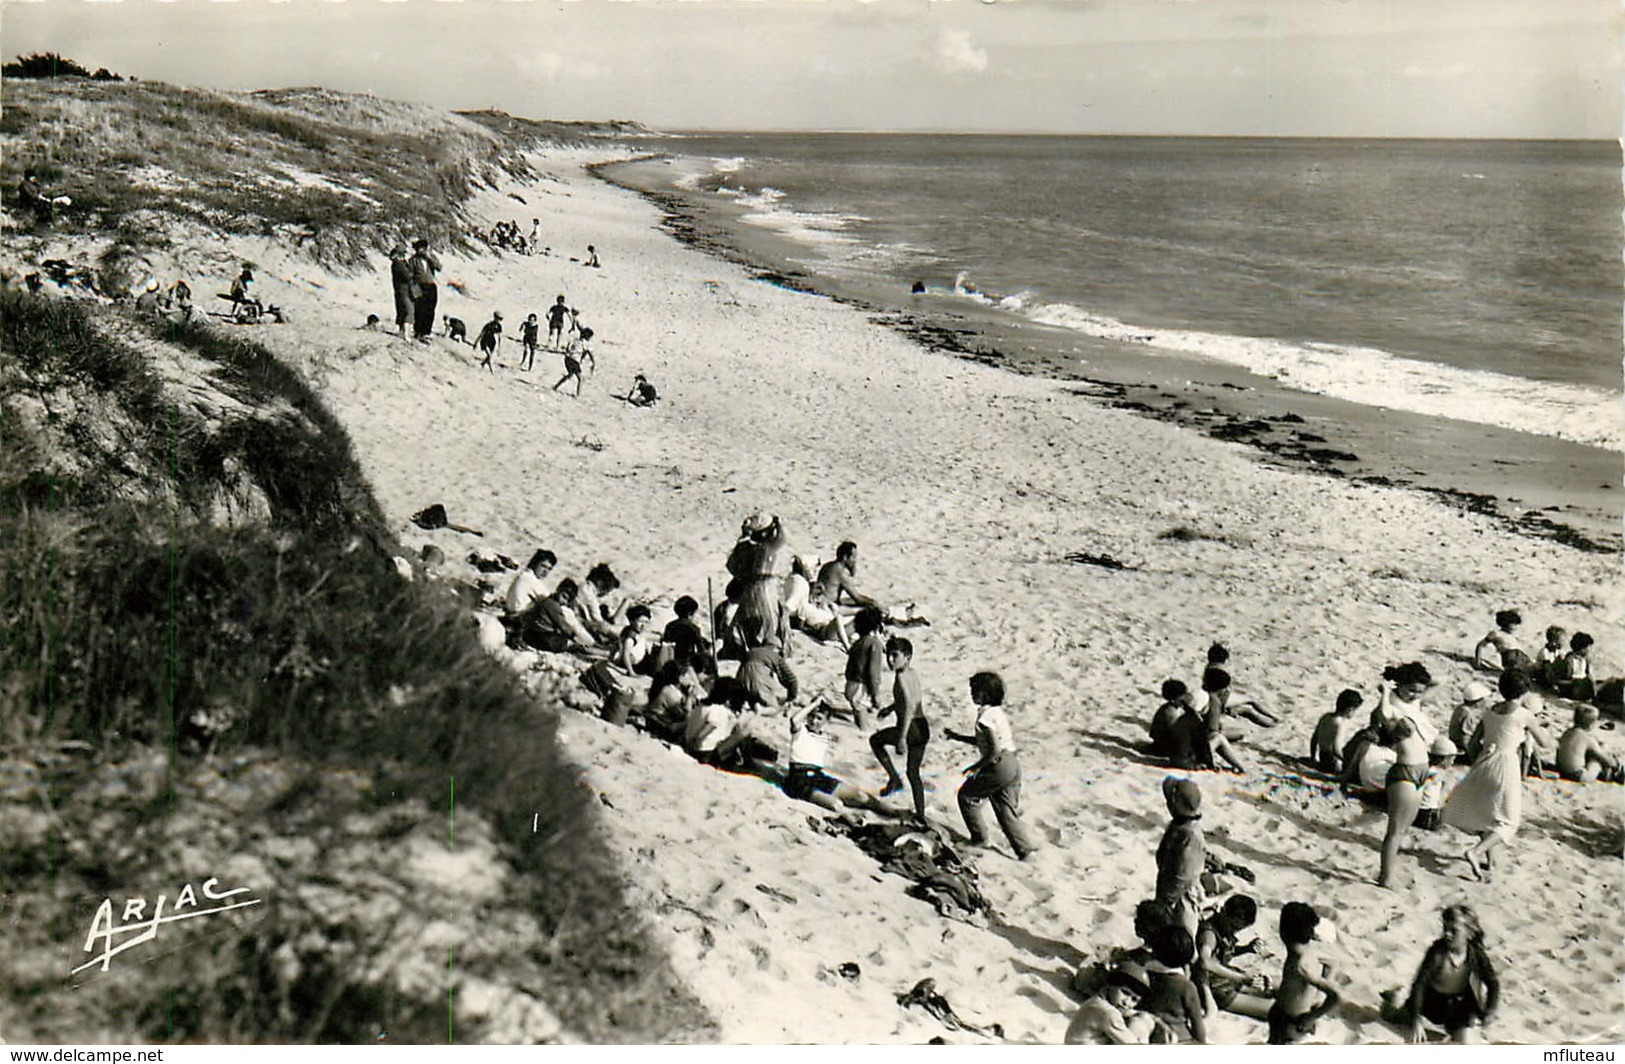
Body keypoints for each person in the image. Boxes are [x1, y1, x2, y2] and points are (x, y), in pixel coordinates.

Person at [1442, 668, 1555, 881]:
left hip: (1484, 761)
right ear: (1525, 692)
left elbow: (1474, 744)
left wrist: (1482, 758)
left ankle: (1491, 862)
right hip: (1506, 764)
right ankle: (1475, 852)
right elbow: (1546, 743)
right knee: (1508, 821)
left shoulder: (1490, 710)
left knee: (1488, 814)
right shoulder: (1523, 714)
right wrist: (1537, 726)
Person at [944, 671, 1039, 860]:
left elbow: (993, 750)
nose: (971, 694)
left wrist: (977, 766)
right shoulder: (996, 713)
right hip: (1012, 763)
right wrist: (957, 736)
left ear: (985, 694)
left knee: (967, 795)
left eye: (975, 691)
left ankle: (980, 839)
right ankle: (1025, 851)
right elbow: (986, 742)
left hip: (998, 764)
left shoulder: (984, 718)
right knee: (1005, 810)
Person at [1382, 905, 1499, 1043]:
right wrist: (1416, 1019)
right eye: (1445, 929)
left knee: (1465, 1041)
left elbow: (1492, 983)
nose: (1447, 934)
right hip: (1431, 1003)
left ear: (1470, 933)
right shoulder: (1437, 953)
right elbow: (1420, 984)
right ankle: (1393, 998)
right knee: (1394, 1016)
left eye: (1454, 931)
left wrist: (1489, 1011)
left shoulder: (1476, 955)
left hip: (1459, 1007)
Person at [783, 704, 895, 815]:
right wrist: (815, 703)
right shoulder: (800, 730)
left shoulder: (825, 737)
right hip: (799, 780)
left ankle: (898, 813)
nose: (814, 721)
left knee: (861, 796)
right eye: (811, 716)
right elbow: (794, 720)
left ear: (826, 720)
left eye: (819, 718)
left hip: (819, 776)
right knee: (836, 805)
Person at [870, 636, 929, 822]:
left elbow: (909, 707)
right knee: (913, 773)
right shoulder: (912, 673)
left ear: (908, 657)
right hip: (922, 727)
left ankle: (894, 778)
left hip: (910, 728)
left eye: (895, 656)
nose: (890, 660)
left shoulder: (901, 679)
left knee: (875, 741)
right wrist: (890, 708)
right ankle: (921, 814)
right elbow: (908, 700)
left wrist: (902, 737)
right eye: (889, 655)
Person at [1268, 902, 1342, 1045]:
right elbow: (1333, 965)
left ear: (1283, 931)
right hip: (1293, 1018)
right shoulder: (1310, 953)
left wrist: (1312, 1017)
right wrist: (1315, 1002)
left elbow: (1335, 996)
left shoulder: (1300, 965)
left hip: (1290, 1023)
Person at [726, 512, 794, 656]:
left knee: (748, 624)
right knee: (770, 625)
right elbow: (784, 537)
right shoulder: (776, 547)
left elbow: (732, 567)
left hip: (750, 590)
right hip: (769, 590)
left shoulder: (744, 548)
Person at [1193, 894, 1268, 1019]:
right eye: (1234, 927)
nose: (1234, 932)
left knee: (1270, 986)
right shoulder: (1209, 934)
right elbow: (1204, 961)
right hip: (1215, 987)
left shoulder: (1222, 927)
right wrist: (1240, 978)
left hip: (1226, 977)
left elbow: (1221, 954)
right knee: (1271, 1009)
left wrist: (1246, 949)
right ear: (1223, 912)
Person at [1377, 716, 1430, 888]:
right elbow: (1384, 713)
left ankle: (1388, 873)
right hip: (1404, 775)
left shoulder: (1409, 732)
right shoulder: (1401, 734)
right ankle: (1385, 878)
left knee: (1402, 829)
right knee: (1395, 831)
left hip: (1418, 773)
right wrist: (1385, 692)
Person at [1154, 776, 1206, 937]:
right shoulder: (1179, 825)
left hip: (1182, 895)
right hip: (1169, 886)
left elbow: (1183, 874)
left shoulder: (1190, 835)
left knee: (1183, 936)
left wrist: (1167, 901)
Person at [1141, 926, 1205, 1043]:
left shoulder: (1144, 974)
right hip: (1179, 1037)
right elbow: (1197, 1022)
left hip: (1149, 1033)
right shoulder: (1186, 986)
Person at [1064, 968, 1160, 1045]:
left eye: (1134, 1000)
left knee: (1144, 1018)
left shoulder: (1098, 1002)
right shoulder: (1108, 1013)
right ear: (1111, 985)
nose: (1126, 1002)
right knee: (1139, 1025)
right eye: (1125, 992)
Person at [1202, 644, 1280, 726]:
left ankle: (1272, 722)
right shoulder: (1221, 671)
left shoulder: (1209, 667)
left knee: (1248, 707)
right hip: (1219, 701)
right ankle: (1274, 719)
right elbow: (1224, 694)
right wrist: (1227, 710)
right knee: (1250, 703)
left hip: (1211, 698)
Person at [733, 621, 800, 713]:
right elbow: (791, 679)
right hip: (758, 677)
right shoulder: (774, 656)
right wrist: (791, 698)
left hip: (740, 678)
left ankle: (744, 705)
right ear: (775, 648)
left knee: (750, 695)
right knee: (774, 709)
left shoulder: (752, 651)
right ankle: (761, 710)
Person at [781, 555, 847, 648]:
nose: (815, 572)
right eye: (814, 569)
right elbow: (789, 606)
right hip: (823, 628)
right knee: (844, 619)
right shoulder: (801, 584)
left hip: (825, 622)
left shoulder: (793, 579)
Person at [1370, 662, 1439, 747]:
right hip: (1403, 744)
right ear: (1400, 685)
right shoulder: (1392, 699)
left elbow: (1437, 682)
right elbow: (1384, 714)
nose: (1415, 695)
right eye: (1412, 690)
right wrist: (1386, 692)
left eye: (1420, 692)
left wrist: (1419, 676)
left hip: (1425, 741)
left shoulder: (1415, 701)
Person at [519, 578, 596, 652]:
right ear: (558, 589)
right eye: (564, 597)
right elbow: (563, 625)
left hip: (531, 632)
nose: (564, 602)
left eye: (567, 600)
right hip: (541, 636)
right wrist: (573, 635)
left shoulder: (547, 600)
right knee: (561, 642)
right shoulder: (554, 606)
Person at [842, 607, 888, 730]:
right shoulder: (874, 644)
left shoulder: (858, 643)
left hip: (850, 682)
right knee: (862, 721)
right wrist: (875, 695)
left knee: (857, 710)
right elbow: (873, 673)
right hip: (860, 686)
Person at [1556, 704, 1624, 783]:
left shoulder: (1567, 732)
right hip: (1578, 776)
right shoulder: (1586, 737)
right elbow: (1605, 759)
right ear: (1592, 724)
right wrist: (1615, 764)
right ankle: (1610, 775)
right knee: (1598, 758)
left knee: (1591, 751)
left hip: (1561, 771)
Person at [1198, 669, 1248, 773]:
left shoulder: (1202, 696)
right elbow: (1212, 731)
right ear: (1222, 689)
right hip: (1199, 746)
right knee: (1222, 738)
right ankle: (1240, 767)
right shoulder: (1214, 702)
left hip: (1192, 738)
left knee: (1234, 733)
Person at [1309, 689, 1363, 774]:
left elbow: (1314, 739)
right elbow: (1336, 749)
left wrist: (1313, 758)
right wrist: (1349, 763)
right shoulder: (1340, 724)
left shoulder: (1325, 717)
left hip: (1322, 757)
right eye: (1354, 711)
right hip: (1333, 763)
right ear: (1349, 709)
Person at [575, 562, 625, 645]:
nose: (606, 594)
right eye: (607, 591)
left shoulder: (582, 586)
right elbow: (599, 622)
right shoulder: (590, 596)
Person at [661, 595, 713, 674]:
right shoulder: (693, 628)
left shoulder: (670, 626)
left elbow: (665, 643)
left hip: (671, 659)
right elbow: (701, 649)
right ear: (690, 614)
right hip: (687, 661)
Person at [1415, 736, 1459, 828]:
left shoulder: (1427, 769)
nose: (1452, 763)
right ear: (1443, 760)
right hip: (1427, 815)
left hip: (1417, 811)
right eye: (1452, 760)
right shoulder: (1436, 774)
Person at [1447, 681, 1494, 764]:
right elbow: (1466, 739)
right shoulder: (1467, 714)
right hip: (1462, 753)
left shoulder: (1460, 709)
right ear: (1478, 701)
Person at [505, 549, 558, 617]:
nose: (545, 571)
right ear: (535, 563)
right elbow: (549, 600)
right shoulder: (530, 579)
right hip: (518, 617)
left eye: (549, 569)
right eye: (543, 566)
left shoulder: (525, 575)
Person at [408, 239, 441, 342]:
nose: (421, 251)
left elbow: (439, 267)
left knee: (430, 310)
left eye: (423, 249)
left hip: (431, 286)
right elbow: (410, 275)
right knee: (419, 309)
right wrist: (413, 289)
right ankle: (418, 331)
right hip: (419, 286)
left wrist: (430, 258)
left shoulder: (430, 258)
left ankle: (426, 332)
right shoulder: (413, 260)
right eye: (419, 249)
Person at [1473, 608, 1525, 673]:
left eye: (1515, 624)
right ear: (1505, 623)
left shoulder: (1511, 637)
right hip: (1511, 657)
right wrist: (1477, 663)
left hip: (1521, 657)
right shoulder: (1496, 633)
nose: (1515, 627)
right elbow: (1480, 645)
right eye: (1512, 624)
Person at [1148, 680, 1190, 759]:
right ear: (1175, 699)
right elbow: (1177, 735)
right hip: (1164, 749)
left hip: (1159, 744)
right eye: (1182, 697)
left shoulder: (1166, 708)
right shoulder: (1170, 713)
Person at [553, 326, 593, 397]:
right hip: (574, 360)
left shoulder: (575, 340)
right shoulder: (585, 343)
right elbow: (589, 353)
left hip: (567, 358)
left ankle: (556, 386)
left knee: (570, 375)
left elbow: (568, 348)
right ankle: (578, 395)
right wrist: (592, 362)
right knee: (580, 378)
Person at [1559, 631, 1596, 701]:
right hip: (1573, 688)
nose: (1590, 650)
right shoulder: (1570, 660)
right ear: (1582, 649)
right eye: (1589, 647)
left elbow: (1589, 674)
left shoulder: (1586, 660)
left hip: (1582, 685)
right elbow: (1563, 679)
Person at [388, 245, 413, 336]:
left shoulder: (396, 263)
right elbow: (408, 275)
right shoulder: (399, 264)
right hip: (404, 289)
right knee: (408, 310)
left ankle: (401, 332)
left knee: (401, 310)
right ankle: (405, 334)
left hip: (399, 289)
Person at [1535, 625, 1570, 689]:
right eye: (1561, 641)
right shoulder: (1544, 652)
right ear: (1553, 642)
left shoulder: (1560, 651)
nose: (1563, 643)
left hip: (1553, 673)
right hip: (1543, 674)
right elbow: (1547, 667)